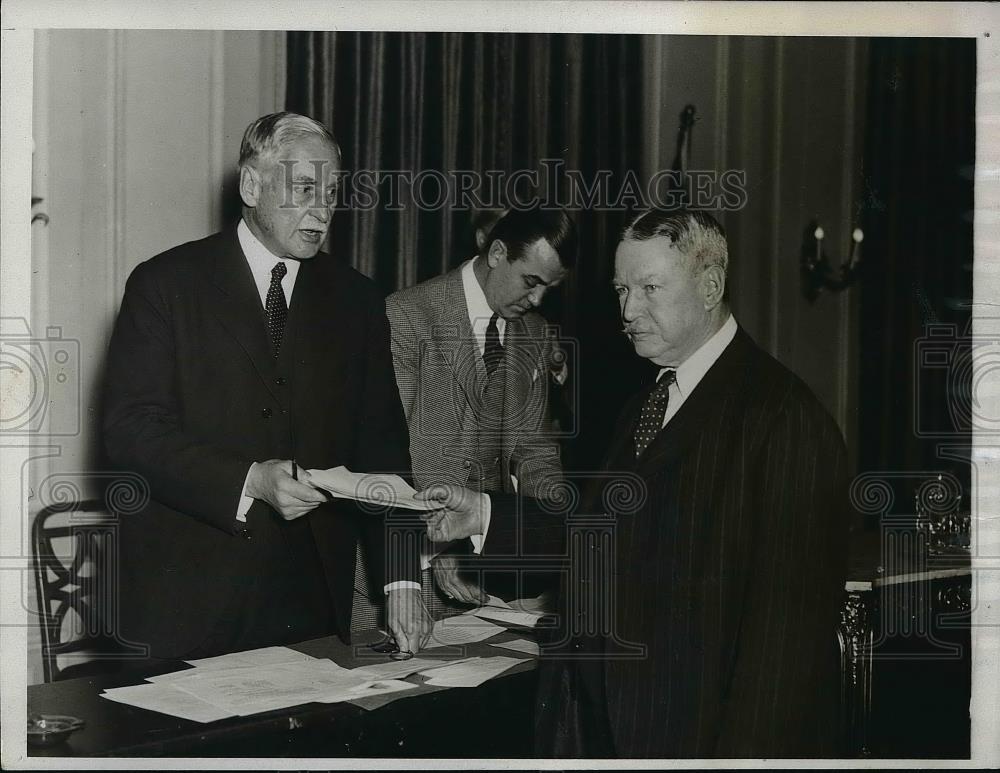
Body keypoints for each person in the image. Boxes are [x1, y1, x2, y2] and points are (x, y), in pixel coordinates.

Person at [417, 209, 851, 758]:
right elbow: (609, 529)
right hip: (605, 730)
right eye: (622, 289)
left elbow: (784, 657)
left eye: (649, 288)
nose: (628, 310)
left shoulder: (783, 421)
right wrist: (485, 515)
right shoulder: (648, 401)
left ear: (711, 285)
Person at [102, 112, 431, 662]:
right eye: (304, 188)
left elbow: (384, 452)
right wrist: (249, 480)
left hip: (310, 602)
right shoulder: (164, 285)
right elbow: (131, 432)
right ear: (252, 185)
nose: (322, 209)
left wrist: (402, 582)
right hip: (186, 600)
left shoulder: (357, 300)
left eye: (332, 191)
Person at [385, 205, 576, 607]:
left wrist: (557, 530)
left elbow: (536, 453)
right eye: (530, 281)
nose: (537, 298)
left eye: (548, 289)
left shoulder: (536, 335)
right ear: (496, 253)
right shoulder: (405, 315)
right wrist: (441, 546)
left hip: (487, 572)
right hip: (406, 576)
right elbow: (389, 459)